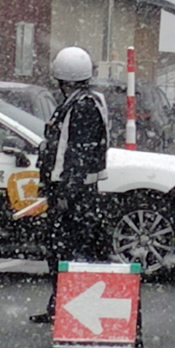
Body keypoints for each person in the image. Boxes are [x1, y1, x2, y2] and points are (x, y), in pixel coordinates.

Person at [29, 46, 109, 324]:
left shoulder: (82, 107)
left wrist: (64, 191)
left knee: (68, 250)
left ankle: (67, 308)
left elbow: (73, 152)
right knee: (66, 250)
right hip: (76, 192)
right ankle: (61, 305)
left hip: (74, 194)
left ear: (62, 79)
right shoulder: (85, 102)